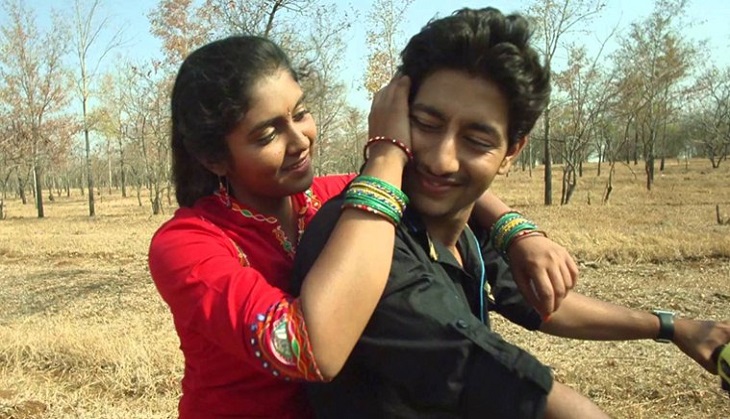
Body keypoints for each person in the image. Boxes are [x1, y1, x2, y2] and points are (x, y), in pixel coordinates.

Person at [291, 7, 730, 418]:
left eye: (477, 141)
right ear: (394, 115)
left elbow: (542, 303)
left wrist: (673, 327)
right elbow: (490, 369)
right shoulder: (360, 242)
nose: (443, 160)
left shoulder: (461, 228)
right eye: (426, 124)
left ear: (512, 151)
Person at [148, 35, 578, 418]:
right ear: (213, 158)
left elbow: (438, 174)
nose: (299, 139)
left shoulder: (333, 199)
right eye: (267, 135)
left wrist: (519, 233)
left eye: (300, 113)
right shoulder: (188, 245)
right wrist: (386, 152)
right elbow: (307, 350)